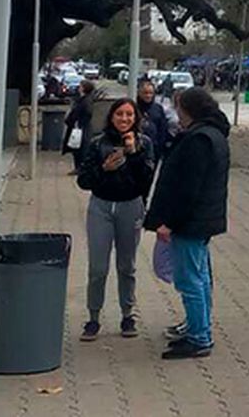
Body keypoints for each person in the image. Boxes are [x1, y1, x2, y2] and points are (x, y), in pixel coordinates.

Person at [144, 87, 230, 360]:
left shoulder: (198, 139)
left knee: (189, 280)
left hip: (191, 222)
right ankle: (197, 328)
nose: (176, 115)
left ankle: (199, 336)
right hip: (203, 219)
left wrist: (170, 221)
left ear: (189, 110)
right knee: (200, 277)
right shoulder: (213, 135)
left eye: (179, 109)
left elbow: (188, 188)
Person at [76, 98, 155, 340]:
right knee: (98, 267)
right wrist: (104, 169)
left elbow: (146, 179)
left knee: (126, 265)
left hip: (130, 206)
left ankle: (127, 314)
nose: (124, 119)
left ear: (136, 118)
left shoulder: (144, 143)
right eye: (119, 114)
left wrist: (132, 154)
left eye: (129, 115)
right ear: (112, 117)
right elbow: (83, 180)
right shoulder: (98, 143)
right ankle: (93, 317)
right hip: (101, 207)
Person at [63, 78, 96, 170]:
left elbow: (83, 113)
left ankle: (80, 167)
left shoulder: (85, 101)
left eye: (81, 86)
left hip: (80, 128)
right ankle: (78, 167)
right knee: (77, 147)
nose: (79, 88)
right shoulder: (83, 99)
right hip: (79, 127)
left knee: (80, 148)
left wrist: (74, 119)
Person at [136, 78, 171, 161]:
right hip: (138, 148)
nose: (148, 96)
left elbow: (163, 129)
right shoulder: (134, 108)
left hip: (155, 149)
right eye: (145, 93)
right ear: (139, 93)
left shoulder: (158, 108)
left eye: (151, 93)